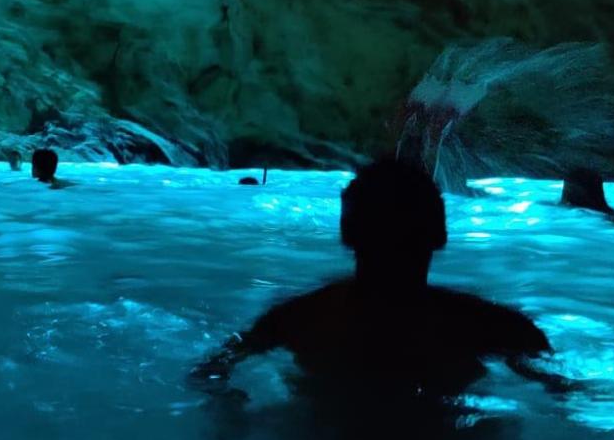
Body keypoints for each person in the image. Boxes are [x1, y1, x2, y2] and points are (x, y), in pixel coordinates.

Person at [191, 158, 562, 401]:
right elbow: (567, 396)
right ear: (439, 234)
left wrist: (230, 411)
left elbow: (210, 372)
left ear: (347, 233)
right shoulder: (495, 328)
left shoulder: (298, 320)